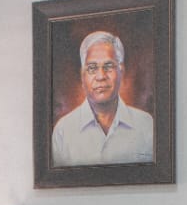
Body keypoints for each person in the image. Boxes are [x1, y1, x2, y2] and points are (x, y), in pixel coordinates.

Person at [51, 31, 154, 166]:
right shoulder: (63, 131)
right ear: (82, 76)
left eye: (108, 66)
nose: (101, 76)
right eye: (92, 68)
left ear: (121, 72)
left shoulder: (146, 125)